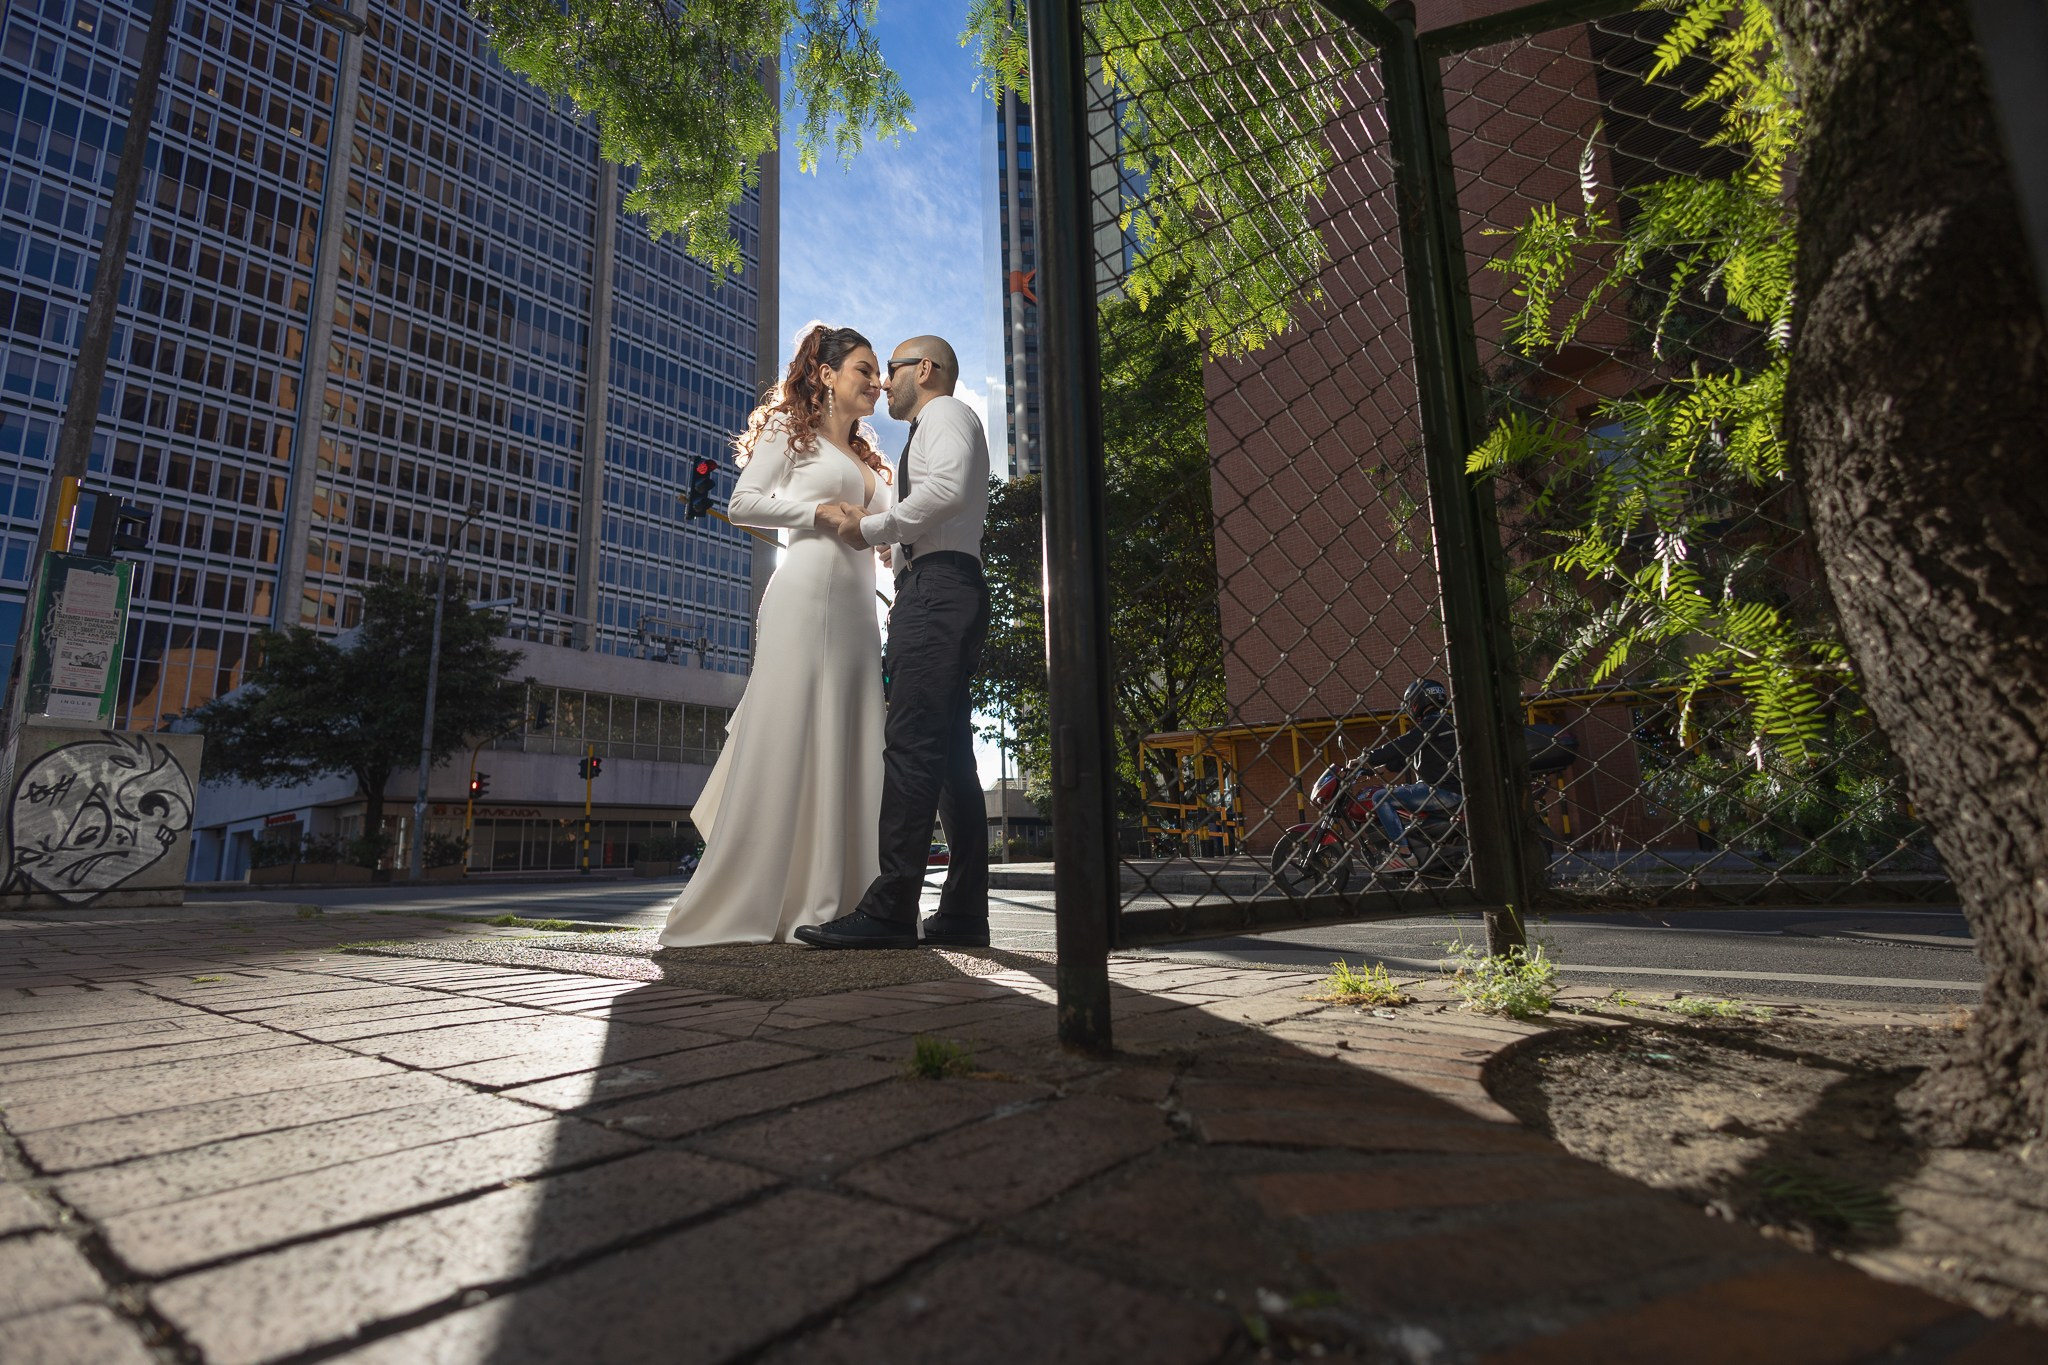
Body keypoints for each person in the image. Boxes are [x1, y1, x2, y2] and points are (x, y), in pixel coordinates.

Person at [657, 324, 892, 947]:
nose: (876, 381)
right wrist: (816, 512)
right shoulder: (794, 433)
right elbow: (742, 503)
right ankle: (770, 897)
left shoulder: (867, 459)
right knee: (793, 732)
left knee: (848, 735)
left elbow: (885, 529)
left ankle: (842, 899)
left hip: (858, 614)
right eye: (864, 370)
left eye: (878, 371)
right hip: (805, 597)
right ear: (827, 374)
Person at [795, 335, 992, 949]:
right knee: (952, 756)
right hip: (944, 584)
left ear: (925, 370)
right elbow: (940, 500)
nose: (884, 383)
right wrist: (897, 542)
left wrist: (871, 527)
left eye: (894, 370)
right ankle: (962, 911)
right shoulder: (928, 430)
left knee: (909, 747)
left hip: (935, 595)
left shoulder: (946, 414)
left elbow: (949, 489)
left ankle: (889, 908)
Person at [1367, 678, 1462, 873]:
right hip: (1449, 788)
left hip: (1439, 790)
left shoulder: (1432, 723)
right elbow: (1408, 754)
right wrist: (1382, 767)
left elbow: (1403, 744)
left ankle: (1404, 854)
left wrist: (1367, 758)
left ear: (1417, 701)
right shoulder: (1446, 722)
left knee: (1380, 797)